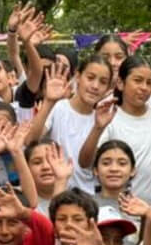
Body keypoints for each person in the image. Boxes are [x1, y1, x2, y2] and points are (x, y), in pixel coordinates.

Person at [77, 56, 151, 204]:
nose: (144, 87)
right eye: (137, 80)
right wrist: (98, 128)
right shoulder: (108, 118)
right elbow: (85, 162)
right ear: (120, 83)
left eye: (149, 83)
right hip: (123, 209)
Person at [24, 57, 113, 194]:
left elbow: (85, 163)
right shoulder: (59, 108)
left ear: (108, 88)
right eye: (90, 78)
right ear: (78, 77)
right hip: (54, 193)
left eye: (103, 82)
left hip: (86, 195)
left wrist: (97, 128)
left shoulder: (104, 119)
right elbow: (30, 141)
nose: (95, 86)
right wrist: (48, 101)